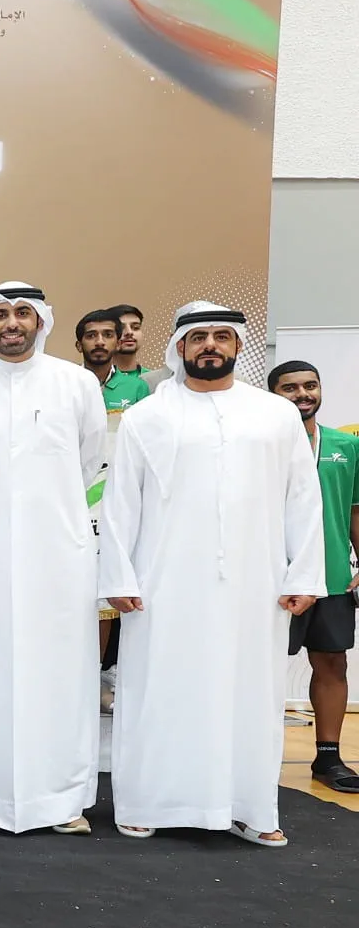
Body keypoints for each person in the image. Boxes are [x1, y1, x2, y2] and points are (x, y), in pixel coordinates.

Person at [99, 302, 324, 845]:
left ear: (238, 345)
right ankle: (146, 802)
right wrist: (120, 579)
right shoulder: (146, 418)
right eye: (199, 337)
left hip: (256, 582)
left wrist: (304, 575)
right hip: (163, 583)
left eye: (222, 336)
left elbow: (302, 498)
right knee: (159, 688)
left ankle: (249, 807)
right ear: (178, 347)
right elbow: (120, 503)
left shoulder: (274, 414)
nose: (210, 346)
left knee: (251, 692)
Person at [0, 284, 106, 834]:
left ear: (40, 321)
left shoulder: (75, 384)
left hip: (56, 555)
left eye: (22, 313)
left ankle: (61, 800)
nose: (11, 323)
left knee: (59, 674)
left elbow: (91, 464)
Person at [267, 361, 359, 791]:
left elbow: (355, 510)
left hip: (333, 575)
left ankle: (328, 759)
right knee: (263, 667)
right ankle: (257, 755)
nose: (302, 393)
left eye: (310, 385)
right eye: (290, 387)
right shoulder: (262, 443)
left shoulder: (346, 444)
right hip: (273, 578)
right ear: (272, 395)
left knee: (331, 663)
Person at [77, 306, 151, 700]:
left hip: (114, 496)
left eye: (108, 334)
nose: (101, 342)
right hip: (72, 496)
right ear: (79, 343)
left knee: (106, 596)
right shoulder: (69, 383)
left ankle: (99, 674)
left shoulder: (137, 388)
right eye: (92, 335)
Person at [108, 304, 169, 389]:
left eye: (135, 327)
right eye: (120, 328)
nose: (129, 332)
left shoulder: (156, 382)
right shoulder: (94, 380)